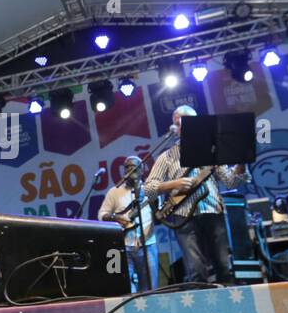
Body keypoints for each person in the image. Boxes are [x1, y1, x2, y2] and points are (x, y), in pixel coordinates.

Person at [144, 105, 246, 285]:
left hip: (213, 211)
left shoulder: (213, 150)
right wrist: (172, 184)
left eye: (186, 121)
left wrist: (241, 164)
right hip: (184, 217)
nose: (182, 125)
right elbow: (148, 188)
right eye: (178, 123)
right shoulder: (167, 156)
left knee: (224, 266)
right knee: (195, 270)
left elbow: (231, 181)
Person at [98, 155, 159, 293]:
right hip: (122, 246)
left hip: (148, 243)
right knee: (122, 286)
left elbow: (158, 216)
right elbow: (102, 215)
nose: (130, 169)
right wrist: (116, 217)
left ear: (142, 169)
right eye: (127, 167)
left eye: (134, 166)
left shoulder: (149, 190)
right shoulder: (114, 192)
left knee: (150, 287)